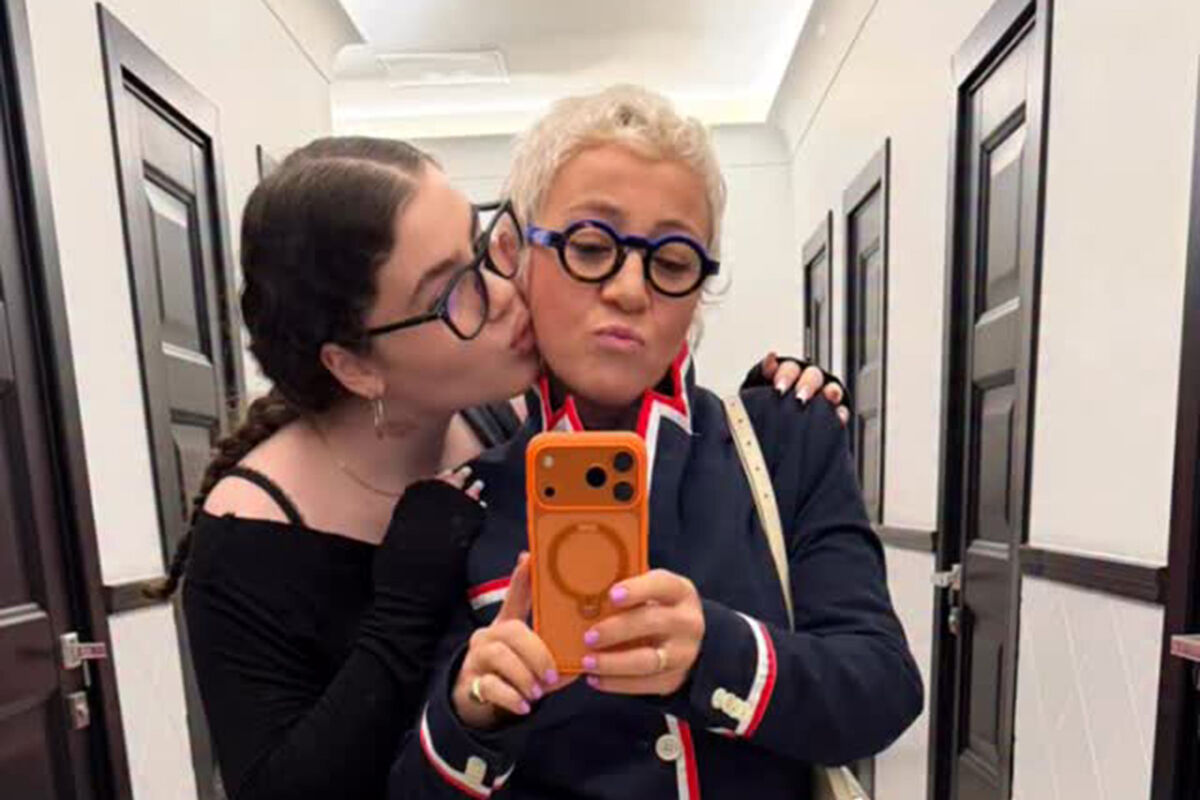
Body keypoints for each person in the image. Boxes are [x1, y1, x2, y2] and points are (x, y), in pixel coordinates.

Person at [168, 136, 845, 799]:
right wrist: (405, 607)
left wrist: (771, 411)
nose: (502, 290)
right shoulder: (250, 530)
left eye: (483, 245)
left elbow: (637, 371)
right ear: (355, 366)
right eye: (452, 289)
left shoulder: (506, 420)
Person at [392, 86, 923, 800]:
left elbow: (883, 688)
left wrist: (717, 654)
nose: (630, 290)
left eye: (672, 262)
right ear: (516, 256)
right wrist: (471, 712)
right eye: (590, 247)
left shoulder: (784, 440)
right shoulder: (469, 502)